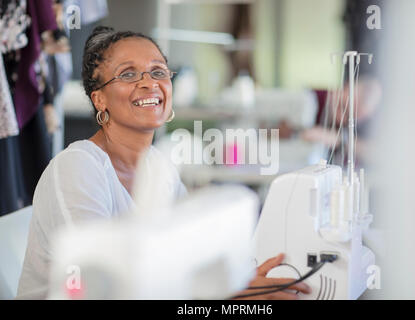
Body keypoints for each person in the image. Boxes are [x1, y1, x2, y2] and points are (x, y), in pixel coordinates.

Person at [16, 26, 311, 300]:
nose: (149, 83)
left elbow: (189, 255)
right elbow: (99, 287)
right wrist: (230, 295)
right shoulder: (77, 168)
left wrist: (239, 282)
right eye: (128, 74)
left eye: (158, 71)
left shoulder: (159, 167)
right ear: (99, 99)